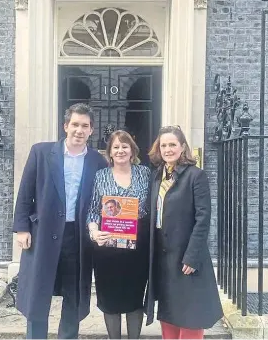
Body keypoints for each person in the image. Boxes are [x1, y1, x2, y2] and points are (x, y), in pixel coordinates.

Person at [13, 103, 107, 339]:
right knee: (38, 294)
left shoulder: (98, 161)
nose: (79, 130)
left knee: (74, 295)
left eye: (85, 126)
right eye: (75, 124)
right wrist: (22, 228)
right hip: (42, 233)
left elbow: (102, 199)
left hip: (78, 237)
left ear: (91, 130)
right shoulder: (41, 152)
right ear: (65, 126)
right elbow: (25, 191)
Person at [145, 126, 223, 340]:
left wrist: (192, 255)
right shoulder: (156, 177)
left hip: (186, 256)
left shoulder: (195, 176)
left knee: (190, 315)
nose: (168, 149)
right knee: (169, 311)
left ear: (182, 147)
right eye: (163, 145)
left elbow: (203, 218)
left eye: (172, 144)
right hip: (163, 256)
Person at [87, 130, 151, 339]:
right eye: (116, 147)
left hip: (137, 246)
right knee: (110, 299)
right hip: (108, 246)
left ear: (132, 150)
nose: (121, 150)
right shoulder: (100, 176)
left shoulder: (145, 173)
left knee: (134, 297)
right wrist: (94, 232)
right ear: (110, 152)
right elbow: (93, 210)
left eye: (125, 146)